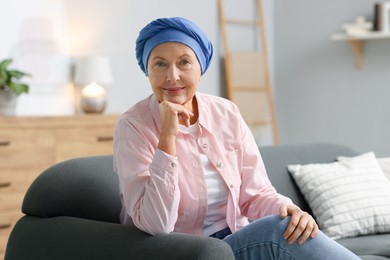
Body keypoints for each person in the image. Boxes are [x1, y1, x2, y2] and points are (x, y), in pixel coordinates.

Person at [113, 17, 360, 259]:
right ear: (147, 70)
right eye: (160, 64)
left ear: (201, 69)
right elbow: (157, 224)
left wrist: (290, 210)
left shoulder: (226, 113)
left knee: (290, 226)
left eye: (184, 62)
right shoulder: (133, 126)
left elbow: (256, 193)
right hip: (177, 250)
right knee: (277, 231)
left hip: (231, 242)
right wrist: (168, 136)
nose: (172, 76)